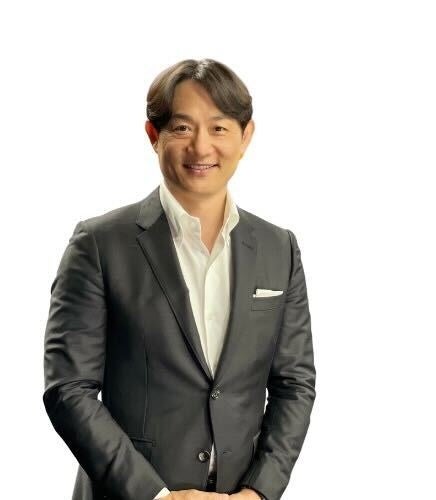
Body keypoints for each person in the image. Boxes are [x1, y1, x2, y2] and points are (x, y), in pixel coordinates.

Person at [43, 58, 316, 500]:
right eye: (182, 128)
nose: (201, 147)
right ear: (154, 135)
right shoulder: (98, 244)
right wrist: (157, 496)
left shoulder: (278, 248)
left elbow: (295, 384)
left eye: (219, 128)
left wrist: (258, 492)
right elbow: (68, 390)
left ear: (246, 136)